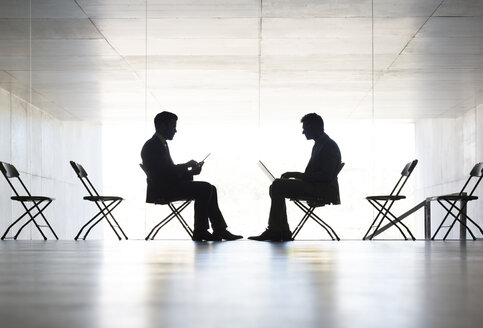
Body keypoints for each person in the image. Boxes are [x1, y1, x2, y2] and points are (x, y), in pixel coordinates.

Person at [141, 111, 242, 241]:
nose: (175, 130)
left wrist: (190, 172)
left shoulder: (158, 144)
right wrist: (186, 166)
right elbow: (164, 172)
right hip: (163, 190)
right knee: (205, 188)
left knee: (211, 188)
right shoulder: (153, 146)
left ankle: (219, 230)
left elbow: (166, 173)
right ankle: (202, 231)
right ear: (162, 126)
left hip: (166, 186)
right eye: (173, 126)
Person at [249, 113, 342, 241]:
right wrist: (298, 176)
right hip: (317, 186)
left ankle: (277, 230)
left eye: (305, 128)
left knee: (277, 185)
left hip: (321, 190)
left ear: (314, 127)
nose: (303, 132)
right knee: (276, 186)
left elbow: (325, 176)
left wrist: (297, 175)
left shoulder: (328, 146)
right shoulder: (323, 144)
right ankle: (281, 230)